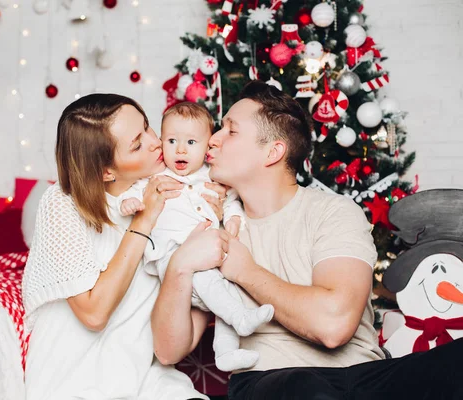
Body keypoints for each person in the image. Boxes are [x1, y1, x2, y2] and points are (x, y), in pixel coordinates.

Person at [151, 81, 463, 400]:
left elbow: (334, 325)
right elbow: (168, 350)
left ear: (273, 152)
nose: (212, 141)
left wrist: (244, 271)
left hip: (363, 379)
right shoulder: (208, 225)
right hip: (271, 381)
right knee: (303, 389)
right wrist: (179, 265)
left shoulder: (332, 212)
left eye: (230, 131)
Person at [22, 93, 224, 399]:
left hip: (146, 376)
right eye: (137, 144)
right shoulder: (63, 203)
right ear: (106, 171)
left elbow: (179, 334)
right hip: (75, 380)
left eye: (147, 127)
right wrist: (143, 221)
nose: (156, 142)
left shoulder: (174, 194)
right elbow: (93, 314)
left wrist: (212, 221)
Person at [117, 102, 274, 372]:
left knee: (226, 287)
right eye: (172, 141)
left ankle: (226, 352)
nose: (180, 149)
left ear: (206, 147)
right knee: (210, 283)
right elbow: (134, 190)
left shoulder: (212, 177)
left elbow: (230, 201)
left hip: (209, 257)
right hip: (170, 256)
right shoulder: (156, 176)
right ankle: (241, 318)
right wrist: (129, 202)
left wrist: (234, 219)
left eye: (191, 142)